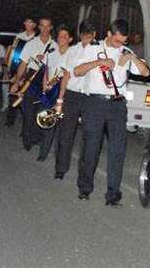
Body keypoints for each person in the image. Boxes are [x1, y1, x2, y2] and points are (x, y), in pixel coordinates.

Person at [74, 19, 150, 205]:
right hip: (95, 103)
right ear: (109, 34)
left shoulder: (126, 51)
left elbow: (146, 73)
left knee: (118, 150)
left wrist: (131, 59)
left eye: (123, 41)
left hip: (117, 106)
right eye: (117, 41)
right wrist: (98, 63)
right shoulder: (92, 48)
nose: (120, 44)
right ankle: (85, 187)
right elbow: (77, 71)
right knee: (91, 147)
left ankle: (113, 194)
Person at [53, 21, 96, 180]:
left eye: (89, 34)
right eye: (84, 34)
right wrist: (60, 100)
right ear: (80, 35)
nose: (86, 38)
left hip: (89, 97)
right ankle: (60, 168)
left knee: (89, 137)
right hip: (71, 95)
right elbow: (66, 76)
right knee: (65, 133)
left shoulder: (98, 52)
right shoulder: (71, 51)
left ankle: (83, 174)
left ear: (94, 35)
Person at [10, 17, 55, 151]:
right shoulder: (31, 43)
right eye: (42, 26)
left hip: (47, 77)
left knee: (42, 110)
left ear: (51, 27)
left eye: (48, 26)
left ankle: (37, 137)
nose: (45, 29)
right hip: (31, 77)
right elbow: (23, 63)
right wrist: (17, 81)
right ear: (39, 27)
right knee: (28, 110)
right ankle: (28, 139)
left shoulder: (55, 45)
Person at [36, 24, 73, 161]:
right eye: (59, 36)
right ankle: (43, 153)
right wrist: (45, 85)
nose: (61, 39)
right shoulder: (51, 53)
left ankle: (60, 157)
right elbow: (46, 70)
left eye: (65, 36)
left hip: (65, 92)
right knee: (46, 121)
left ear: (70, 39)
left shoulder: (73, 54)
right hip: (50, 91)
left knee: (62, 127)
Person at [4, 18, 37, 126]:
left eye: (30, 22)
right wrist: (9, 68)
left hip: (29, 70)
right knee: (13, 93)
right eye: (26, 22)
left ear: (35, 25)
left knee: (25, 95)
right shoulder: (19, 36)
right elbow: (13, 52)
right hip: (16, 67)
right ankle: (10, 119)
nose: (28, 24)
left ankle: (26, 122)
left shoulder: (36, 38)